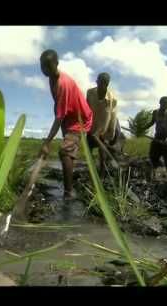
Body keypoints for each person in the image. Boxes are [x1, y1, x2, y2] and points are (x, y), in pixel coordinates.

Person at [39, 49, 93, 199]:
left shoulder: (64, 84)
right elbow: (59, 107)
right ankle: (69, 181)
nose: (45, 70)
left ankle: (68, 193)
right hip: (70, 117)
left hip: (80, 120)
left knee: (64, 151)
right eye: (42, 67)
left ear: (56, 64)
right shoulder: (51, 78)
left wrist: (47, 142)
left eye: (48, 67)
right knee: (68, 152)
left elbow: (59, 118)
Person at [86, 72, 119, 171]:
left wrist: (108, 134)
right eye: (99, 83)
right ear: (96, 82)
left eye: (104, 83)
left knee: (102, 151)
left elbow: (112, 118)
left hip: (104, 128)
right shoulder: (90, 93)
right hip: (92, 127)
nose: (101, 86)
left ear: (107, 84)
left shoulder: (112, 99)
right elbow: (86, 109)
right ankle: (91, 171)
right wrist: (86, 127)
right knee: (89, 149)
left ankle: (103, 171)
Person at [144, 96, 167, 173]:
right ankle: (154, 173)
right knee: (153, 156)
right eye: (163, 104)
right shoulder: (155, 112)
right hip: (157, 137)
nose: (165, 106)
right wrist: (142, 128)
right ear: (160, 103)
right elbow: (152, 123)